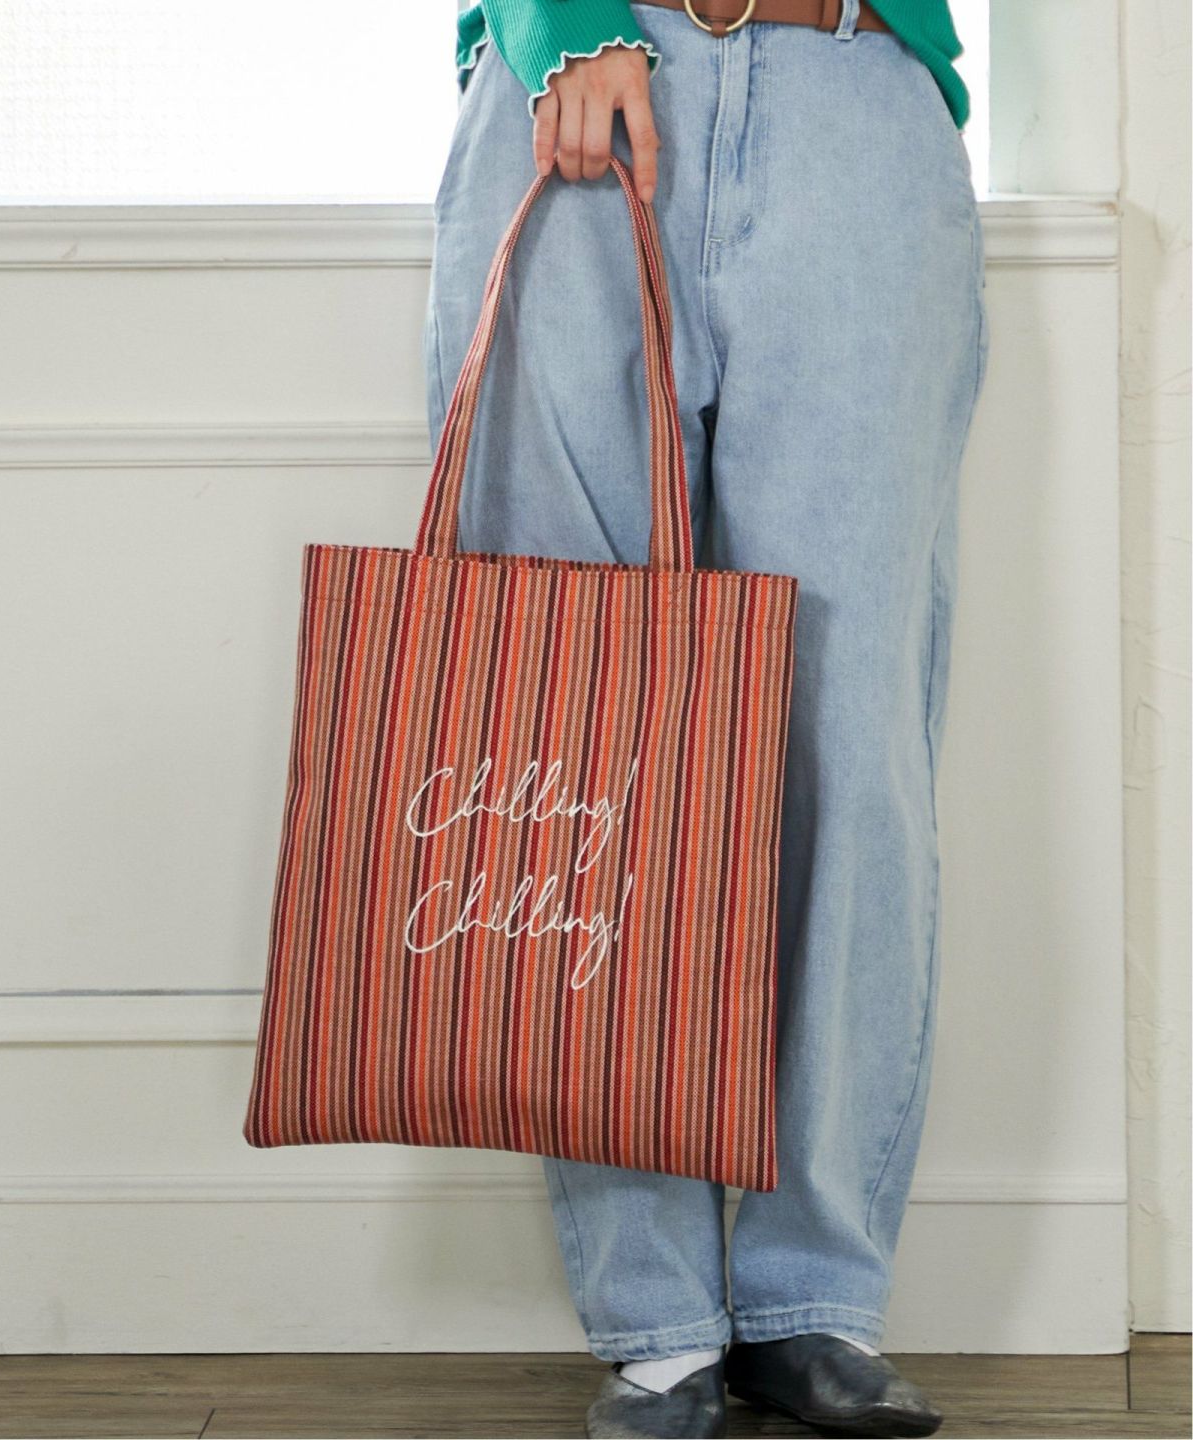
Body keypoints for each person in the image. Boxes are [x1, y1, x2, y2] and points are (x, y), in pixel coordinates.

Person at [423, 2, 989, 1435]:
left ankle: (815, 1300)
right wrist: (562, 21)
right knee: (573, 735)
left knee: (852, 735)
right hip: (577, 87)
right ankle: (656, 1318)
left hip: (855, 91)